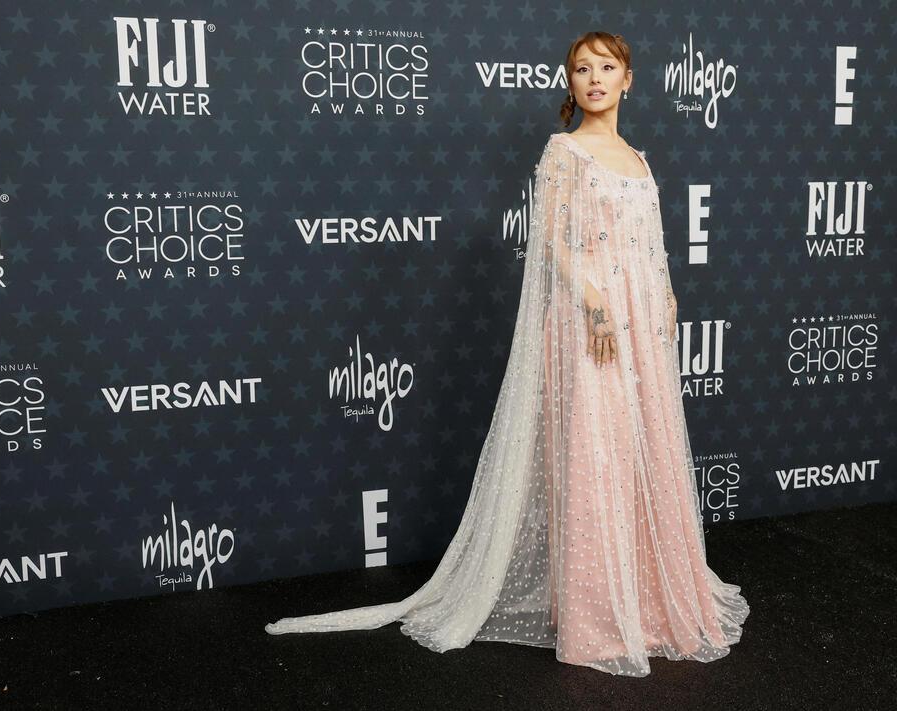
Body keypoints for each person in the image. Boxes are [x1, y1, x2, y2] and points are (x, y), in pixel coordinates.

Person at [265, 31, 750, 677]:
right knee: (592, 456)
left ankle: (652, 599)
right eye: (582, 68)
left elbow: (654, 243)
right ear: (570, 82)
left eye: (607, 67)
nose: (595, 78)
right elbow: (549, 243)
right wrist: (597, 302)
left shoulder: (639, 156)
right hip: (588, 325)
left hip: (641, 332)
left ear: (629, 79)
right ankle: (594, 614)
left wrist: (664, 293)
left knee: (643, 454)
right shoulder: (563, 151)